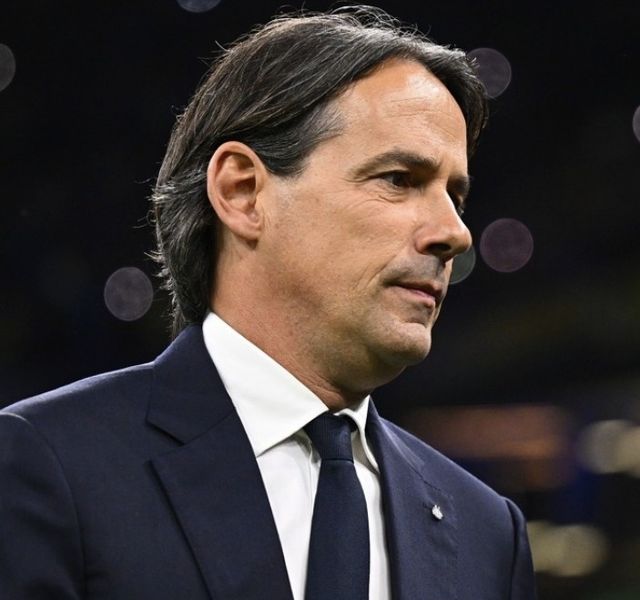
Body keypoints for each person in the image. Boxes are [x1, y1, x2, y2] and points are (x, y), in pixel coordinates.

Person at [0, 6, 536, 600]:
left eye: (456, 195)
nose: (456, 232)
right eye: (399, 179)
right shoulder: (47, 466)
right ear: (243, 193)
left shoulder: (489, 534)